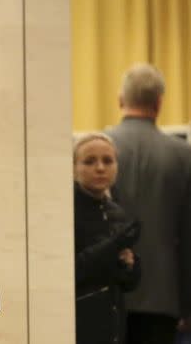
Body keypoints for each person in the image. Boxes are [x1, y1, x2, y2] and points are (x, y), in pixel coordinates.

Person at [106, 63, 191, 344]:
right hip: (163, 296)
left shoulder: (98, 151)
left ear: (120, 101)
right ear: (159, 103)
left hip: (108, 292)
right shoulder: (184, 156)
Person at [73, 133, 141, 344]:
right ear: (74, 167)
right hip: (78, 323)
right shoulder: (66, 211)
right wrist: (114, 246)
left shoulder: (117, 211)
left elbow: (129, 283)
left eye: (108, 161)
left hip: (114, 323)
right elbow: (72, 271)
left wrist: (130, 264)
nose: (100, 168)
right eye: (90, 161)